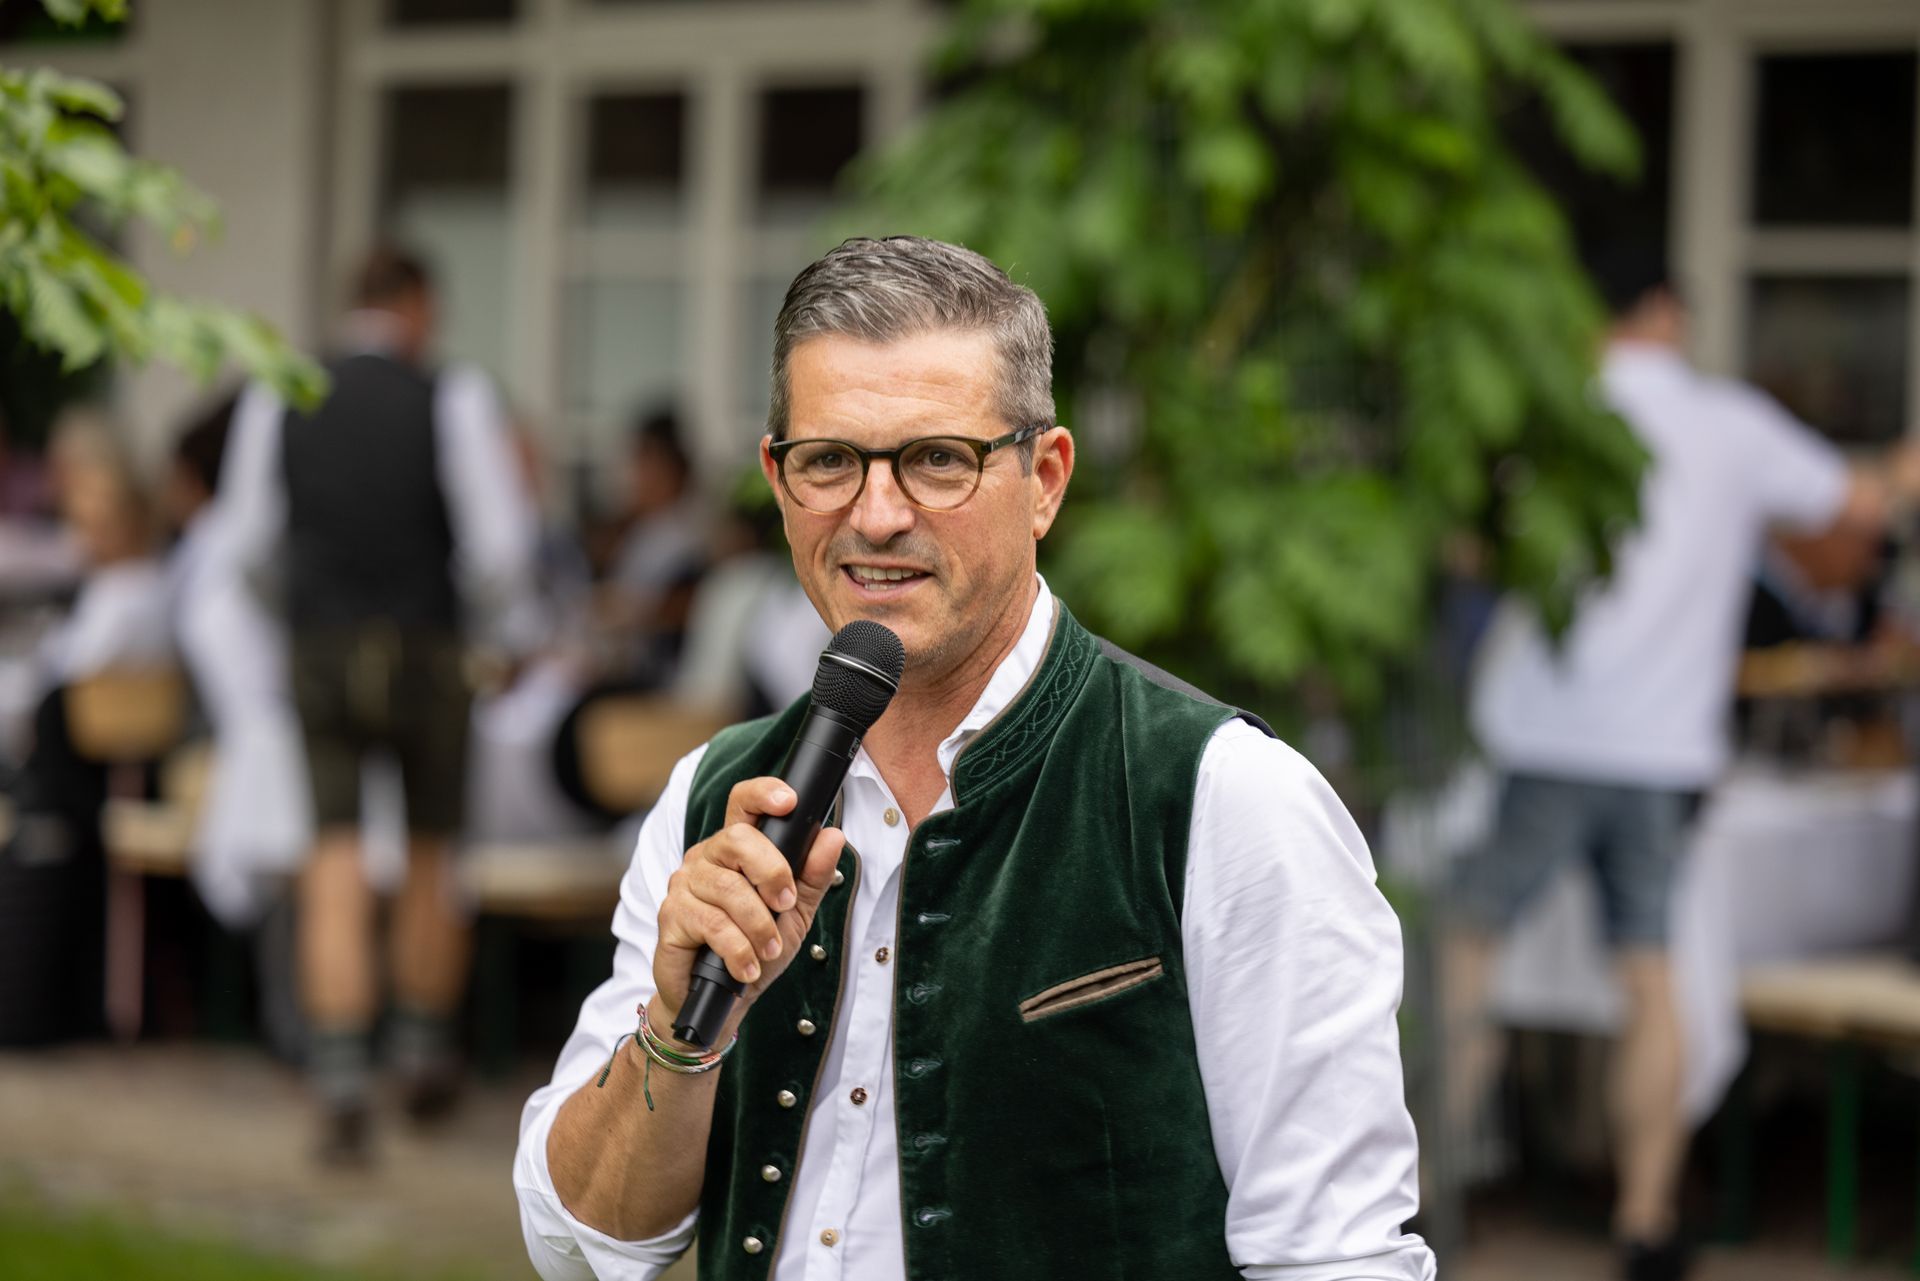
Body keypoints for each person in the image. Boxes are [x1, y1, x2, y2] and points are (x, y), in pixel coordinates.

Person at [514, 237, 1432, 1280]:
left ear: (1045, 480)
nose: (877, 515)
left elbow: (1337, 1260)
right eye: (830, 461)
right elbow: (577, 1243)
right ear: (777, 479)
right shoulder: (714, 795)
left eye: (938, 459)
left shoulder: (1223, 797)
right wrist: (679, 1037)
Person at [1451, 244, 1900, 1281]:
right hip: (1661, 751)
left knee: (1468, 952)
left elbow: (1476, 550)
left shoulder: (1552, 415)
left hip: (1544, 734)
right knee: (1651, 974)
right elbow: (1859, 501)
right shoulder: (1727, 424)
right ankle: (1646, 1220)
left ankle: (1421, 1191)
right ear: (1666, 310)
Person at [215, 246, 539, 1164]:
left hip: (320, 645)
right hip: (427, 644)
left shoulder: (279, 392)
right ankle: (422, 1049)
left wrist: (304, 614)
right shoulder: (452, 395)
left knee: (333, 852)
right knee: (434, 846)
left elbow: (245, 545)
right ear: (415, 304)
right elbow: (501, 550)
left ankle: (341, 1075)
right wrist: (484, 627)